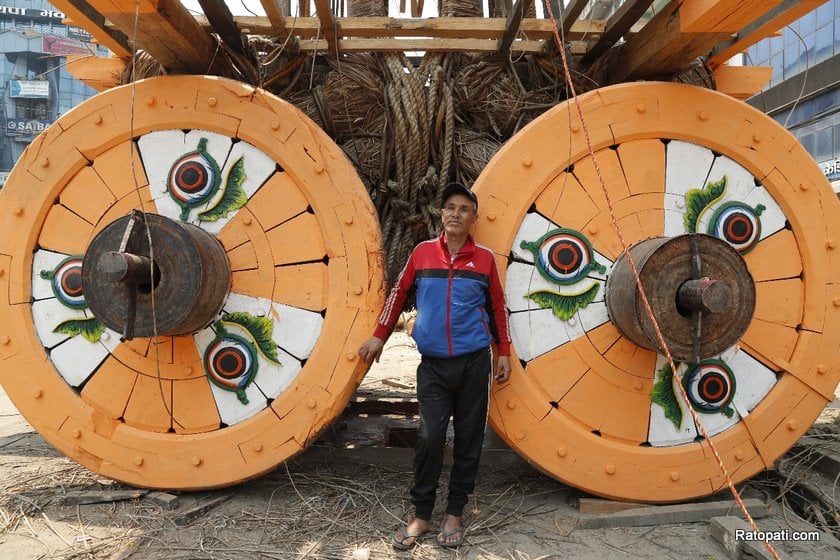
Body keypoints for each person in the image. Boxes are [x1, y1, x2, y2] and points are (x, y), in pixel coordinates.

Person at [359, 182, 512, 549]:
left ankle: (455, 513)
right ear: (440, 214)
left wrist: (503, 350)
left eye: (464, 209)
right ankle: (422, 514)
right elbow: (397, 293)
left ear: (474, 218)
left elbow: (497, 308)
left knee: (469, 438)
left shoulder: (485, 259)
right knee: (428, 437)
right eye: (450, 208)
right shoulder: (422, 253)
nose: (456, 214)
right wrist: (380, 334)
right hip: (433, 366)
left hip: (474, 362)